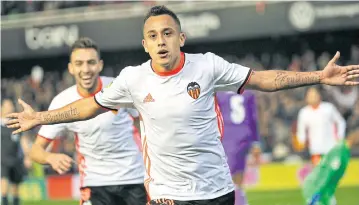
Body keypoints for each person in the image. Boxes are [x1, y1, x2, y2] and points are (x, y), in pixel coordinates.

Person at [5, 5, 359, 205]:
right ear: (145, 44)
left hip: (218, 189)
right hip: (165, 195)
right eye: (154, 36)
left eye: (168, 33)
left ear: (181, 37)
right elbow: (87, 107)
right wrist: (40, 117)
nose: (161, 42)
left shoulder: (207, 66)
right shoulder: (132, 79)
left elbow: (264, 80)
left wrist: (317, 76)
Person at [28, 37, 146, 205]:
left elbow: (141, 123)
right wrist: (50, 158)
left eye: (91, 62)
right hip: (94, 184)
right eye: (79, 63)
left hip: (134, 178)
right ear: (71, 68)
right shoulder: (62, 102)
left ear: (100, 65)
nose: (86, 69)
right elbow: (35, 150)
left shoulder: (118, 89)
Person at [216, 91, 261, 205]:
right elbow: (253, 117)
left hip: (228, 135)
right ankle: (241, 200)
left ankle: (237, 202)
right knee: (239, 176)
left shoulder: (220, 93)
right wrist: (256, 142)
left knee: (227, 177)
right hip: (245, 135)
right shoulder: (248, 93)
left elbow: (216, 116)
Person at [302, 128, 359, 205]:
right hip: (316, 187)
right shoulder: (340, 152)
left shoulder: (343, 150)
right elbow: (328, 173)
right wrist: (319, 191)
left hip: (325, 190)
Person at [297, 87, 346, 166]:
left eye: (314, 94)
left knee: (332, 173)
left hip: (331, 148)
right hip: (315, 150)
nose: (313, 97)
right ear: (306, 98)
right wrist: (302, 143)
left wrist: (340, 137)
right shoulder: (304, 112)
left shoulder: (328, 108)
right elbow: (301, 131)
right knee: (320, 174)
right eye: (310, 95)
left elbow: (341, 122)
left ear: (320, 95)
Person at [1, 99, 32, 205]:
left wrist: (27, 157)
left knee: (15, 188)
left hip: (16, 159)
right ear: (2, 108)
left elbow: (23, 140)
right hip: (2, 160)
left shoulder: (16, 123)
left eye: (11, 105)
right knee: (4, 183)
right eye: (7, 105)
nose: (10, 107)